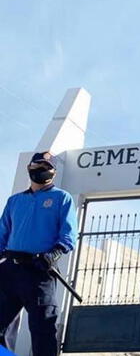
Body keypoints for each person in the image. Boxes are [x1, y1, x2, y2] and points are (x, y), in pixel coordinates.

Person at [0, 151, 78, 356]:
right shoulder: (14, 201)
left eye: (46, 167)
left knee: (43, 331)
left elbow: (69, 235)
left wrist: (53, 255)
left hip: (39, 271)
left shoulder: (62, 198)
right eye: (37, 166)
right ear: (29, 168)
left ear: (53, 171)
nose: (41, 170)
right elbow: (2, 234)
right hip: (9, 272)